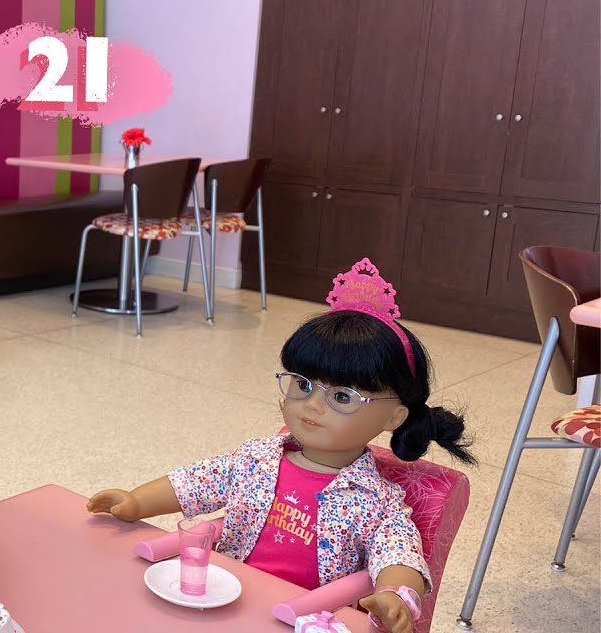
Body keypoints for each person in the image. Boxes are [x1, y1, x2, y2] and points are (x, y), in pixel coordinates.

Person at [88, 259, 475, 633]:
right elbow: (194, 483)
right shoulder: (255, 458)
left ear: (393, 417)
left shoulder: (377, 501)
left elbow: (399, 555)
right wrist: (136, 501)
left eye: (342, 396)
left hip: (304, 620)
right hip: (223, 598)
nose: (312, 404)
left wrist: (395, 595)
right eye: (303, 385)